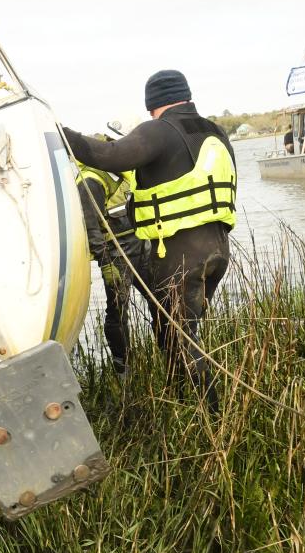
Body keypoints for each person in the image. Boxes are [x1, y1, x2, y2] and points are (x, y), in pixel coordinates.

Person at [63, 69, 236, 408]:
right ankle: (181, 402)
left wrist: (60, 133)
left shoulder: (161, 129)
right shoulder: (215, 131)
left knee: (179, 337)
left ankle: (213, 416)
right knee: (170, 330)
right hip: (218, 251)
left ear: (155, 104)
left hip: (182, 257)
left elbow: (108, 156)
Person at [76, 161, 143, 375]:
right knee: (118, 312)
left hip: (141, 246)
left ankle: (171, 356)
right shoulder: (90, 180)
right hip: (116, 255)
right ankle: (123, 368)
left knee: (161, 301)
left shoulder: (122, 171)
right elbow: (90, 227)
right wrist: (106, 263)